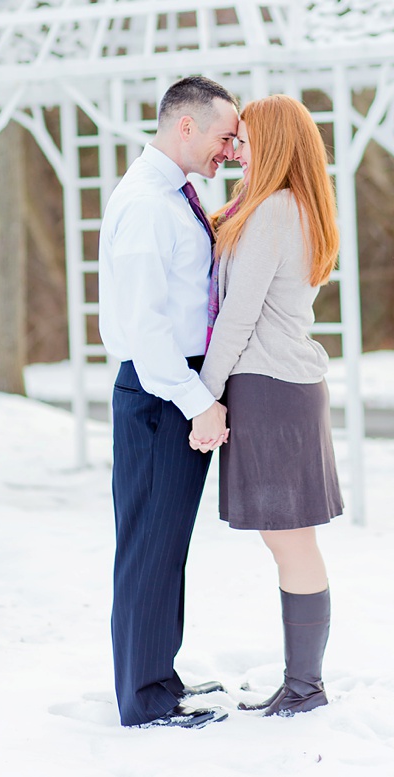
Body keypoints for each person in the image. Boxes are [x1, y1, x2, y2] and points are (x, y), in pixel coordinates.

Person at [196, 94, 344, 717]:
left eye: (248, 141)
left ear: (277, 146)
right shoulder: (280, 206)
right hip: (279, 386)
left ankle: (305, 688)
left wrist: (202, 397)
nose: (237, 150)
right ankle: (300, 684)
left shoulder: (278, 210)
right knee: (287, 540)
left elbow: (238, 315)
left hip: (272, 388)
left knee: (291, 541)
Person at [100, 74, 240, 729]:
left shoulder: (173, 194)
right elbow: (145, 327)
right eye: (223, 135)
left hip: (172, 387)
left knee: (165, 544)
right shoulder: (148, 204)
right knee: (149, 546)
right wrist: (197, 401)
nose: (230, 147)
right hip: (161, 393)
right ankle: (146, 698)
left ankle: (159, 676)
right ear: (185, 125)